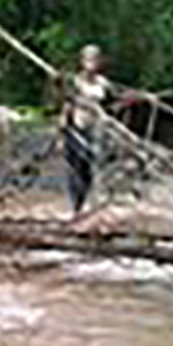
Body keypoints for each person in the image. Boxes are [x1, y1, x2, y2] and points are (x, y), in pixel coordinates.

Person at [60, 44, 115, 217]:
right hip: (76, 128)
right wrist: (62, 127)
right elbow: (67, 104)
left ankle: (85, 204)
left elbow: (114, 101)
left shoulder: (103, 83)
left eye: (95, 59)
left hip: (94, 129)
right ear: (82, 61)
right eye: (89, 59)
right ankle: (76, 207)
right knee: (75, 168)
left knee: (88, 169)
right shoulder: (76, 82)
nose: (92, 63)